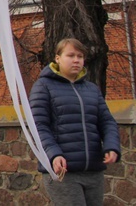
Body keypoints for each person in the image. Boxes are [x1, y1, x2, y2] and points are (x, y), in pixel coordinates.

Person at [29, 38, 121, 205]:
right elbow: (39, 126)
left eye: (80, 56)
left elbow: (107, 122)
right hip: (64, 171)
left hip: (93, 169)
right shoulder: (43, 86)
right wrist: (53, 154)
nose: (76, 60)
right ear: (58, 58)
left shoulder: (91, 89)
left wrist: (111, 146)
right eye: (70, 55)